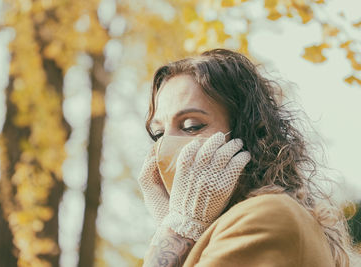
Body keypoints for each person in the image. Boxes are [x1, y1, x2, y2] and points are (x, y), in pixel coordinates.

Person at [137, 49, 357, 267]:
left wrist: (177, 232)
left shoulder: (266, 215)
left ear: (246, 132)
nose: (165, 146)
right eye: (158, 134)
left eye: (191, 126)